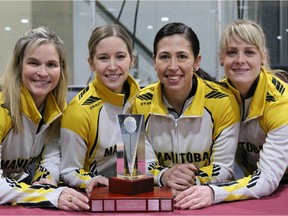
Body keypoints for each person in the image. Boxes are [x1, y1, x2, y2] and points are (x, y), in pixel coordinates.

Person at [174, 19, 288, 210]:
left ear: (263, 57)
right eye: (232, 52)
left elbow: (267, 179)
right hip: (256, 186)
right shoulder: (217, 97)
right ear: (221, 58)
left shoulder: (281, 103)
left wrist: (213, 192)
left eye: (249, 52)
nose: (240, 60)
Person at [131, 22, 240, 194]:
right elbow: (137, 165)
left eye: (182, 56)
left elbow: (224, 168)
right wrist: (164, 176)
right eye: (164, 56)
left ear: (197, 62)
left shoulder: (223, 101)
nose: (173, 66)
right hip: (160, 196)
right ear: (154, 62)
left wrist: (189, 180)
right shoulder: (138, 102)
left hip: (206, 197)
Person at [0, 27, 89, 210]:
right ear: (19, 65)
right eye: (33, 63)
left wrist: (45, 183)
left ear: (61, 69)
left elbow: (51, 154)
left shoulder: (56, 108)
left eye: (51, 64)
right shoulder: (2, 108)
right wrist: (48, 195)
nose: (42, 72)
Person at [60, 24, 140, 196]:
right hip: (95, 198)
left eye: (120, 56)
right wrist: (89, 180)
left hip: (133, 193)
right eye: (103, 58)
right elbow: (68, 170)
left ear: (131, 60)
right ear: (91, 63)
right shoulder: (78, 111)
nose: (112, 66)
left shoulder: (141, 100)